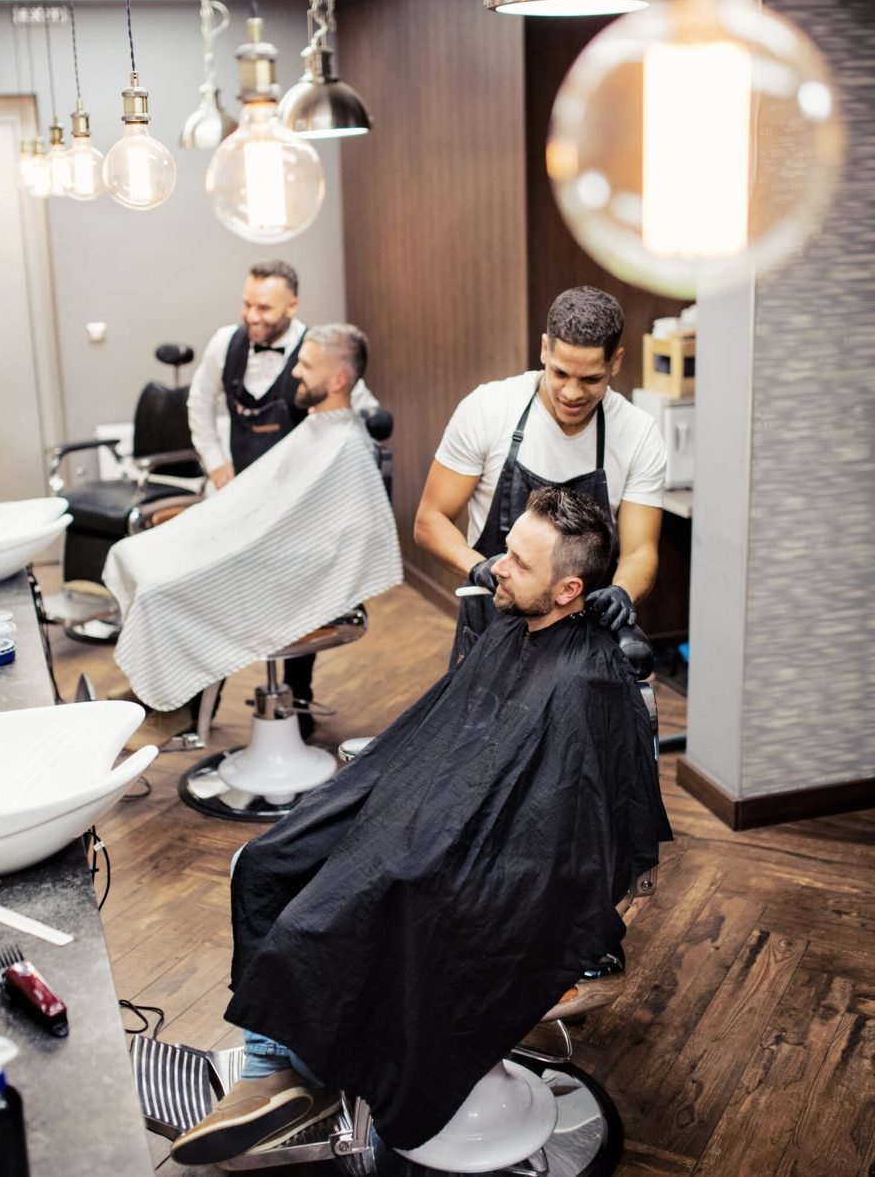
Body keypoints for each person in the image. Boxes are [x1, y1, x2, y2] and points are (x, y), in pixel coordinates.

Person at [169, 486, 672, 1167]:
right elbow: (448, 742)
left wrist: (423, 851)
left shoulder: (587, 684)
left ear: (568, 590)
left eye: (519, 564)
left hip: (482, 872)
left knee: (322, 916)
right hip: (434, 819)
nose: (496, 566)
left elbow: (562, 837)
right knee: (264, 863)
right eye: (506, 551)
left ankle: (301, 1071)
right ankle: (285, 1068)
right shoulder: (514, 631)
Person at [104, 325, 401, 719]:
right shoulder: (318, 428)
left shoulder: (346, 445)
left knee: (160, 590)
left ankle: (173, 710)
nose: (294, 372)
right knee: (134, 553)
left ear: (339, 379)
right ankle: (171, 698)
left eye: (306, 366)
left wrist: (239, 544)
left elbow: (344, 537)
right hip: (258, 540)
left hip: (283, 565)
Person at [413, 285, 666, 665]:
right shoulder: (489, 409)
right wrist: (478, 566)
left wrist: (623, 590)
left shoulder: (638, 433)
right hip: (491, 629)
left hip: (585, 642)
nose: (571, 392)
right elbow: (429, 521)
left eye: (591, 379)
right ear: (545, 348)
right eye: (560, 372)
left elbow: (640, 550)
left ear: (616, 361)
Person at [187, 260, 379, 714]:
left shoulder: (318, 353)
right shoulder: (224, 344)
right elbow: (198, 404)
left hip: (295, 509)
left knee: (297, 601)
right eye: (247, 304)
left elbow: (363, 407)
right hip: (237, 497)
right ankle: (198, 705)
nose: (252, 316)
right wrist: (217, 467)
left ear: (293, 305)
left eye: (265, 308)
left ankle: (297, 697)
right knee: (211, 591)